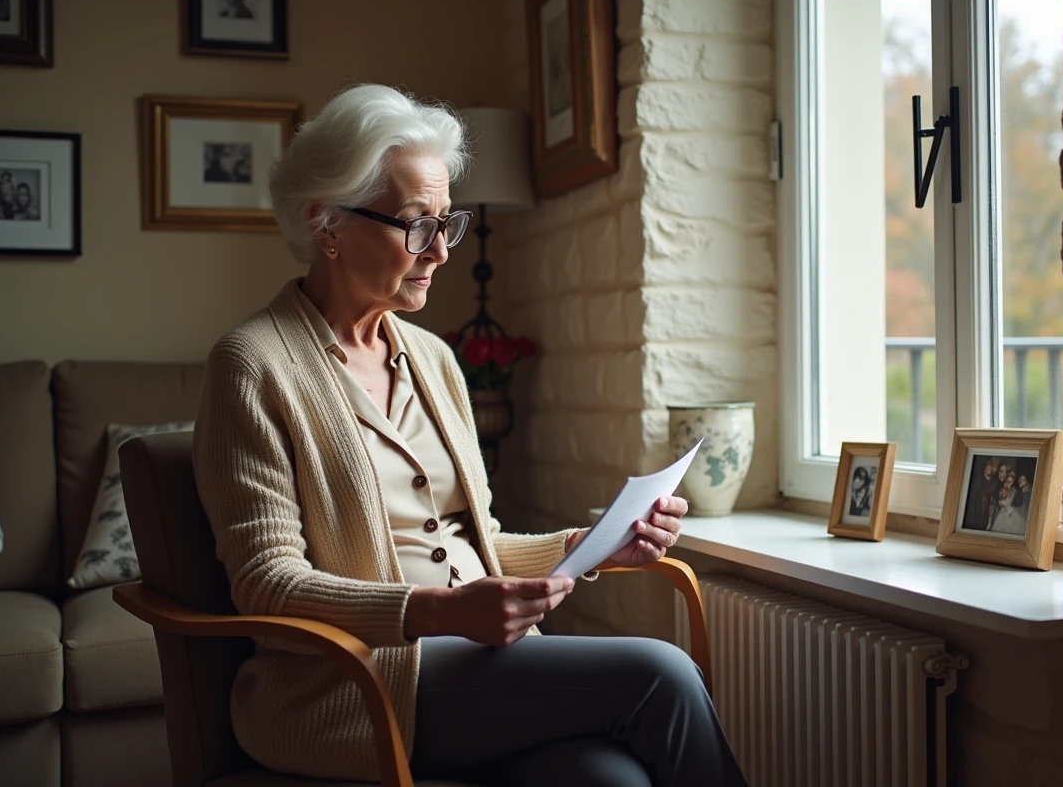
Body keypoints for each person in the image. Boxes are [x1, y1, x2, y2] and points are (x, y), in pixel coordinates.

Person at [192, 84, 747, 787]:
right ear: (326, 224)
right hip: (353, 688)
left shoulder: (433, 358)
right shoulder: (251, 365)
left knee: (609, 779)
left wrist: (589, 547)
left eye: (446, 224)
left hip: (478, 670)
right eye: (416, 226)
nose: (440, 252)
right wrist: (438, 611)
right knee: (659, 673)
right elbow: (267, 586)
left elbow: (477, 542)